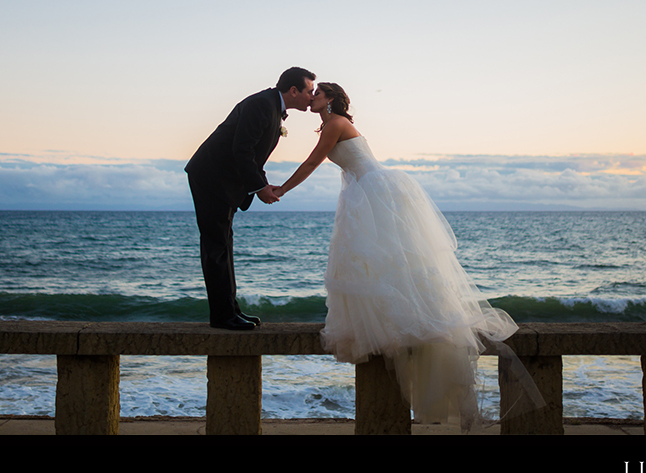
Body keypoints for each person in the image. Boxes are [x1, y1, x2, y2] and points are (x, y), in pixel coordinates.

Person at [277, 82, 542, 428]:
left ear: (330, 98)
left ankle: (420, 332)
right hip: (365, 194)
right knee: (377, 264)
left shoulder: (336, 122)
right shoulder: (330, 124)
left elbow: (313, 161)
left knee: (393, 261)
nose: (312, 98)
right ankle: (395, 324)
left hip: (376, 193)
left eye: (317, 93)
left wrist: (281, 188)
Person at [186, 67, 315, 330]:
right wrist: (260, 188)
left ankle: (230, 310)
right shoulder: (261, 105)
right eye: (309, 91)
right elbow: (242, 150)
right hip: (212, 178)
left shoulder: (270, 106)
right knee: (216, 247)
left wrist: (262, 184)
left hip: (223, 181)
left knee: (224, 245)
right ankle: (222, 317)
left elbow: (252, 154)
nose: (311, 97)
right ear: (293, 91)